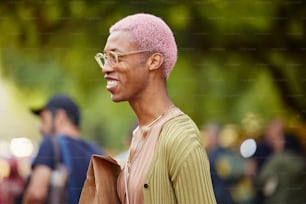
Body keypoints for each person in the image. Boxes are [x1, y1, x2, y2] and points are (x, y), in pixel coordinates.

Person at [95, 13, 216, 203]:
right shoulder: (137, 136)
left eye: (115, 57)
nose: (105, 68)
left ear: (154, 61)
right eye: (105, 58)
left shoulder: (180, 137)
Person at [22, 94, 103, 204]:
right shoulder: (97, 152)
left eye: (44, 119)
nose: (40, 127)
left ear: (60, 117)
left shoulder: (50, 144)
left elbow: (36, 194)